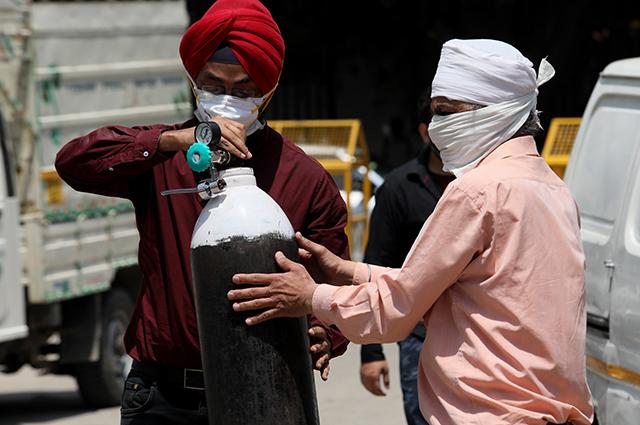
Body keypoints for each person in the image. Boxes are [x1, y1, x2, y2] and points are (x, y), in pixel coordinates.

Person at [228, 38, 596, 425]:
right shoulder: (554, 188)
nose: (438, 128)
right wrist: (353, 273)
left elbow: (397, 312)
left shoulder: (477, 191)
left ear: (496, 113)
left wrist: (311, 296)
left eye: (448, 113)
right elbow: (459, 290)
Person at [55, 0, 350, 424]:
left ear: (267, 94)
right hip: (162, 397)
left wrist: (327, 334)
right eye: (213, 85)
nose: (227, 101)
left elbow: (333, 280)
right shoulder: (161, 160)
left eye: (244, 90)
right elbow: (75, 163)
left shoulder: (304, 179)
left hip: (265, 386)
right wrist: (172, 141)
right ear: (194, 83)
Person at [359, 89, 453, 425]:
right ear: (424, 131)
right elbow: (374, 267)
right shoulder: (398, 188)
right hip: (418, 339)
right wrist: (371, 352)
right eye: (441, 121)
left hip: (477, 335)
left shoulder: (485, 184)